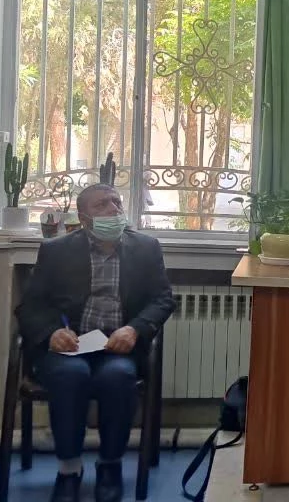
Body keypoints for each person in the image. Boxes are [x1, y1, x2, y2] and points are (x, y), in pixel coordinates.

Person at [15, 184, 176, 502]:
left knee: (118, 377)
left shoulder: (146, 248)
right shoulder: (56, 250)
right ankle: (69, 470)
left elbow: (162, 299)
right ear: (83, 218)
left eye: (116, 202)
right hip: (70, 345)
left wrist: (134, 330)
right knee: (70, 375)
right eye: (102, 205)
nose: (114, 209)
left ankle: (110, 466)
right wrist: (51, 333)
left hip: (118, 346)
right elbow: (31, 305)